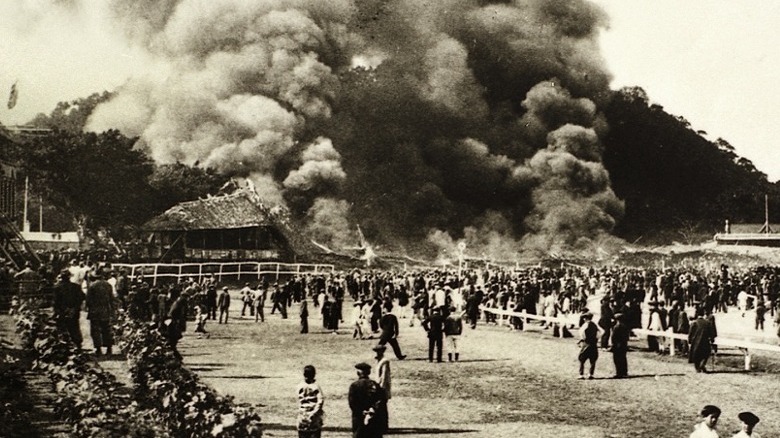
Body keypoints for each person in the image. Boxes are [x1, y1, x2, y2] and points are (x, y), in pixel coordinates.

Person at [348, 362, 386, 438]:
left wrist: (362, 411)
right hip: (374, 418)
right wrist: (372, 410)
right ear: (369, 372)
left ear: (358, 373)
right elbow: (381, 400)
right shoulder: (375, 385)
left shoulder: (354, 385)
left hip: (359, 418)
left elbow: (352, 403)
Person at [85, 270, 114, 356]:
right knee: (106, 329)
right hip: (105, 310)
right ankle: (109, 348)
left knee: (95, 330)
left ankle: (98, 349)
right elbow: (111, 298)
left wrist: (88, 308)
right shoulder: (108, 285)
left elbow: (88, 299)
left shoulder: (92, 286)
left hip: (95, 310)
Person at [52, 271, 84, 349]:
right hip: (74, 310)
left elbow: (55, 301)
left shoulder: (57, 287)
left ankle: (65, 345)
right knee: (74, 327)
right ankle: (78, 345)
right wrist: (75, 308)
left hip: (62, 310)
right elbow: (82, 297)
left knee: (62, 328)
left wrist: (57, 311)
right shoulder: (76, 287)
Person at [296, 365, 324, 438]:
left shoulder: (300, 386)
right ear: (314, 375)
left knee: (302, 434)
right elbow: (320, 400)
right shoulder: (316, 386)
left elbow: (299, 400)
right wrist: (315, 412)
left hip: (302, 415)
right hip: (313, 416)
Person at [689, 308, 717, 373]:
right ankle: (702, 364)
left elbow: (690, 333)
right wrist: (712, 339)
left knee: (696, 355)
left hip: (696, 341)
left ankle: (697, 367)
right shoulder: (707, 322)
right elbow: (711, 333)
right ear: (703, 314)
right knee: (706, 354)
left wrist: (690, 340)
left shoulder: (694, 323)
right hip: (705, 342)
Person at [577, 312, 603, 379]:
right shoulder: (594, 324)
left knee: (582, 358)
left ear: (585, 318)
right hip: (593, 343)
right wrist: (597, 338)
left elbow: (581, 332)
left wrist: (582, 338)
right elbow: (602, 331)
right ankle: (591, 374)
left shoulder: (585, 324)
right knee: (593, 359)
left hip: (587, 343)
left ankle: (581, 374)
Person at [166, 290, 189, 361]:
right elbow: (171, 314)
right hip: (173, 326)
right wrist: (177, 322)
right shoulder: (177, 304)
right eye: (185, 297)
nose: (186, 299)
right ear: (182, 297)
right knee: (172, 343)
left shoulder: (179, 303)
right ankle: (177, 358)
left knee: (173, 343)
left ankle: (176, 358)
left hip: (175, 325)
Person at [373, 345, 391, 433]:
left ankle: (384, 427)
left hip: (381, 388)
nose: (377, 353)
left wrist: (381, 388)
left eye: (379, 351)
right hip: (377, 386)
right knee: (379, 407)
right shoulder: (377, 360)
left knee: (382, 407)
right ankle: (380, 425)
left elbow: (384, 376)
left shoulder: (385, 361)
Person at [610, 313, 630, 378]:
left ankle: (619, 373)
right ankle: (624, 372)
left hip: (617, 345)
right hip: (624, 344)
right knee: (623, 358)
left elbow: (613, 337)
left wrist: (613, 345)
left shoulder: (616, 327)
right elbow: (627, 337)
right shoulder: (625, 326)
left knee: (617, 359)